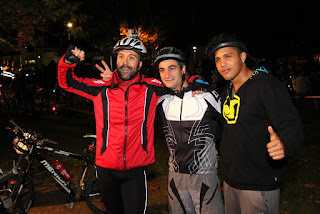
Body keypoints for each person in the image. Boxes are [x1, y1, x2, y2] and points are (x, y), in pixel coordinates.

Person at [58, 38, 207, 214]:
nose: (125, 62)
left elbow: (178, 83)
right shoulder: (102, 88)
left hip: (135, 172)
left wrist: (198, 81)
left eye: (131, 57)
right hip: (105, 170)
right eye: (121, 56)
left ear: (140, 63)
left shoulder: (151, 88)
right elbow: (67, 82)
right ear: (116, 60)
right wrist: (68, 62)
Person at [206, 33, 303, 214]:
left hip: (258, 184)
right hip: (230, 181)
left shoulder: (266, 85)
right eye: (218, 59)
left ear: (243, 57)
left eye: (228, 56)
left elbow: (292, 125)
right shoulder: (227, 91)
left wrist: (284, 143)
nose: (222, 64)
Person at [155, 47, 224, 214]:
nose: (167, 74)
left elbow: (232, 127)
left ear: (183, 69)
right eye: (162, 70)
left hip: (204, 176)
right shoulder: (162, 101)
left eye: (172, 68)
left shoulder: (207, 97)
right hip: (175, 177)